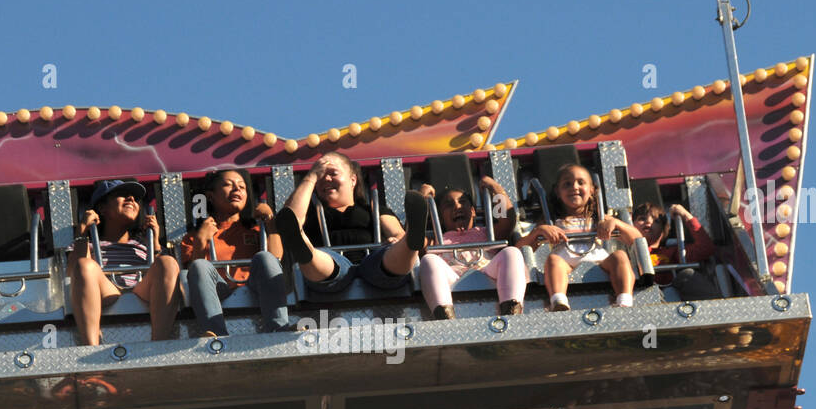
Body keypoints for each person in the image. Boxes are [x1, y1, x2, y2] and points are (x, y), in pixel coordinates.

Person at [271, 152, 426, 295]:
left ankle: (410, 242)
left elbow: (396, 233)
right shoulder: (311, 214)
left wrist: (397, 240)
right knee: (322, 256)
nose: (326, 179)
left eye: (333, 173)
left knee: (388, 253)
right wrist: (311, 177)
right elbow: (291, 216)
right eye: (320, 175)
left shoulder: (373, 209)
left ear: (353, 180)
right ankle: (303, 247)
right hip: (329, 269)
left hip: (374, 262)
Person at [68, 179, 181, 344]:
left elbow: (165, 277)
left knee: (168, 262)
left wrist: (155, 241)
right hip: (106, 291)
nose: (131, 199)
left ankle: (159, 345)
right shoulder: (88, 244)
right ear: (102, 208)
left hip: (142, 289)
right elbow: (73, 273)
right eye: (122, 195)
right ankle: (90, 346)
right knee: (85, 265)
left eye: (135, 198)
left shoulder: (144, 245)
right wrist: (82, 232)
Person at [181, 169, 290, 336]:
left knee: (264, 256)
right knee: (200, 266)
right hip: (218, 288)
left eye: (242, 187)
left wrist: (270, 221)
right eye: (228, 185)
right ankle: (215, 334)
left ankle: (280, 329)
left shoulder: (256, 230)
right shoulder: (195, 235)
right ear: (211, 196)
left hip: (252, 285)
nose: (236, 190)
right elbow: (194, 276)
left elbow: (275, 259)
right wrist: (201, 240)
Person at [515, 164, 640, 309]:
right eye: (567, 184)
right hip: (565, 259)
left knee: (620, 256)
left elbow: (637, 240)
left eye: (581, 182)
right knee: (553, 260)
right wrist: (538, 231)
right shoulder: (551, 222)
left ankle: (624, 299)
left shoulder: (599, 219)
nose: (574, 187)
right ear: (558, 191)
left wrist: (615, 223)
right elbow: (519, 251)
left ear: (592, 190)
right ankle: (558, 300)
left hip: (598, 258)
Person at [416, 177, 526, 318]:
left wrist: (495, 188)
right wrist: (420, 199)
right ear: (440, 218)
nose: (457, 206)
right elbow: (413, 238)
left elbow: (507, 219)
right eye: (449, 205)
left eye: (462, 202)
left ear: (473, 211)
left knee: (512, 252)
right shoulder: (437, 240)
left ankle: (512, 309)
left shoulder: (488, 232)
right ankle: (443, 314)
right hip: (452, 275)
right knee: (429, 259)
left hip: (487, 271)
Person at [633, 201, 720, 300]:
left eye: (656, 221)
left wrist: (686, 216)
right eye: (642, 219)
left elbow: (705, 249)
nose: (648, 222)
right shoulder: (625, 251)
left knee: (687, 274)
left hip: (668, 295)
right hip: (638, 295)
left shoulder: (672, 252)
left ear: (663, 232)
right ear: (631, 225)